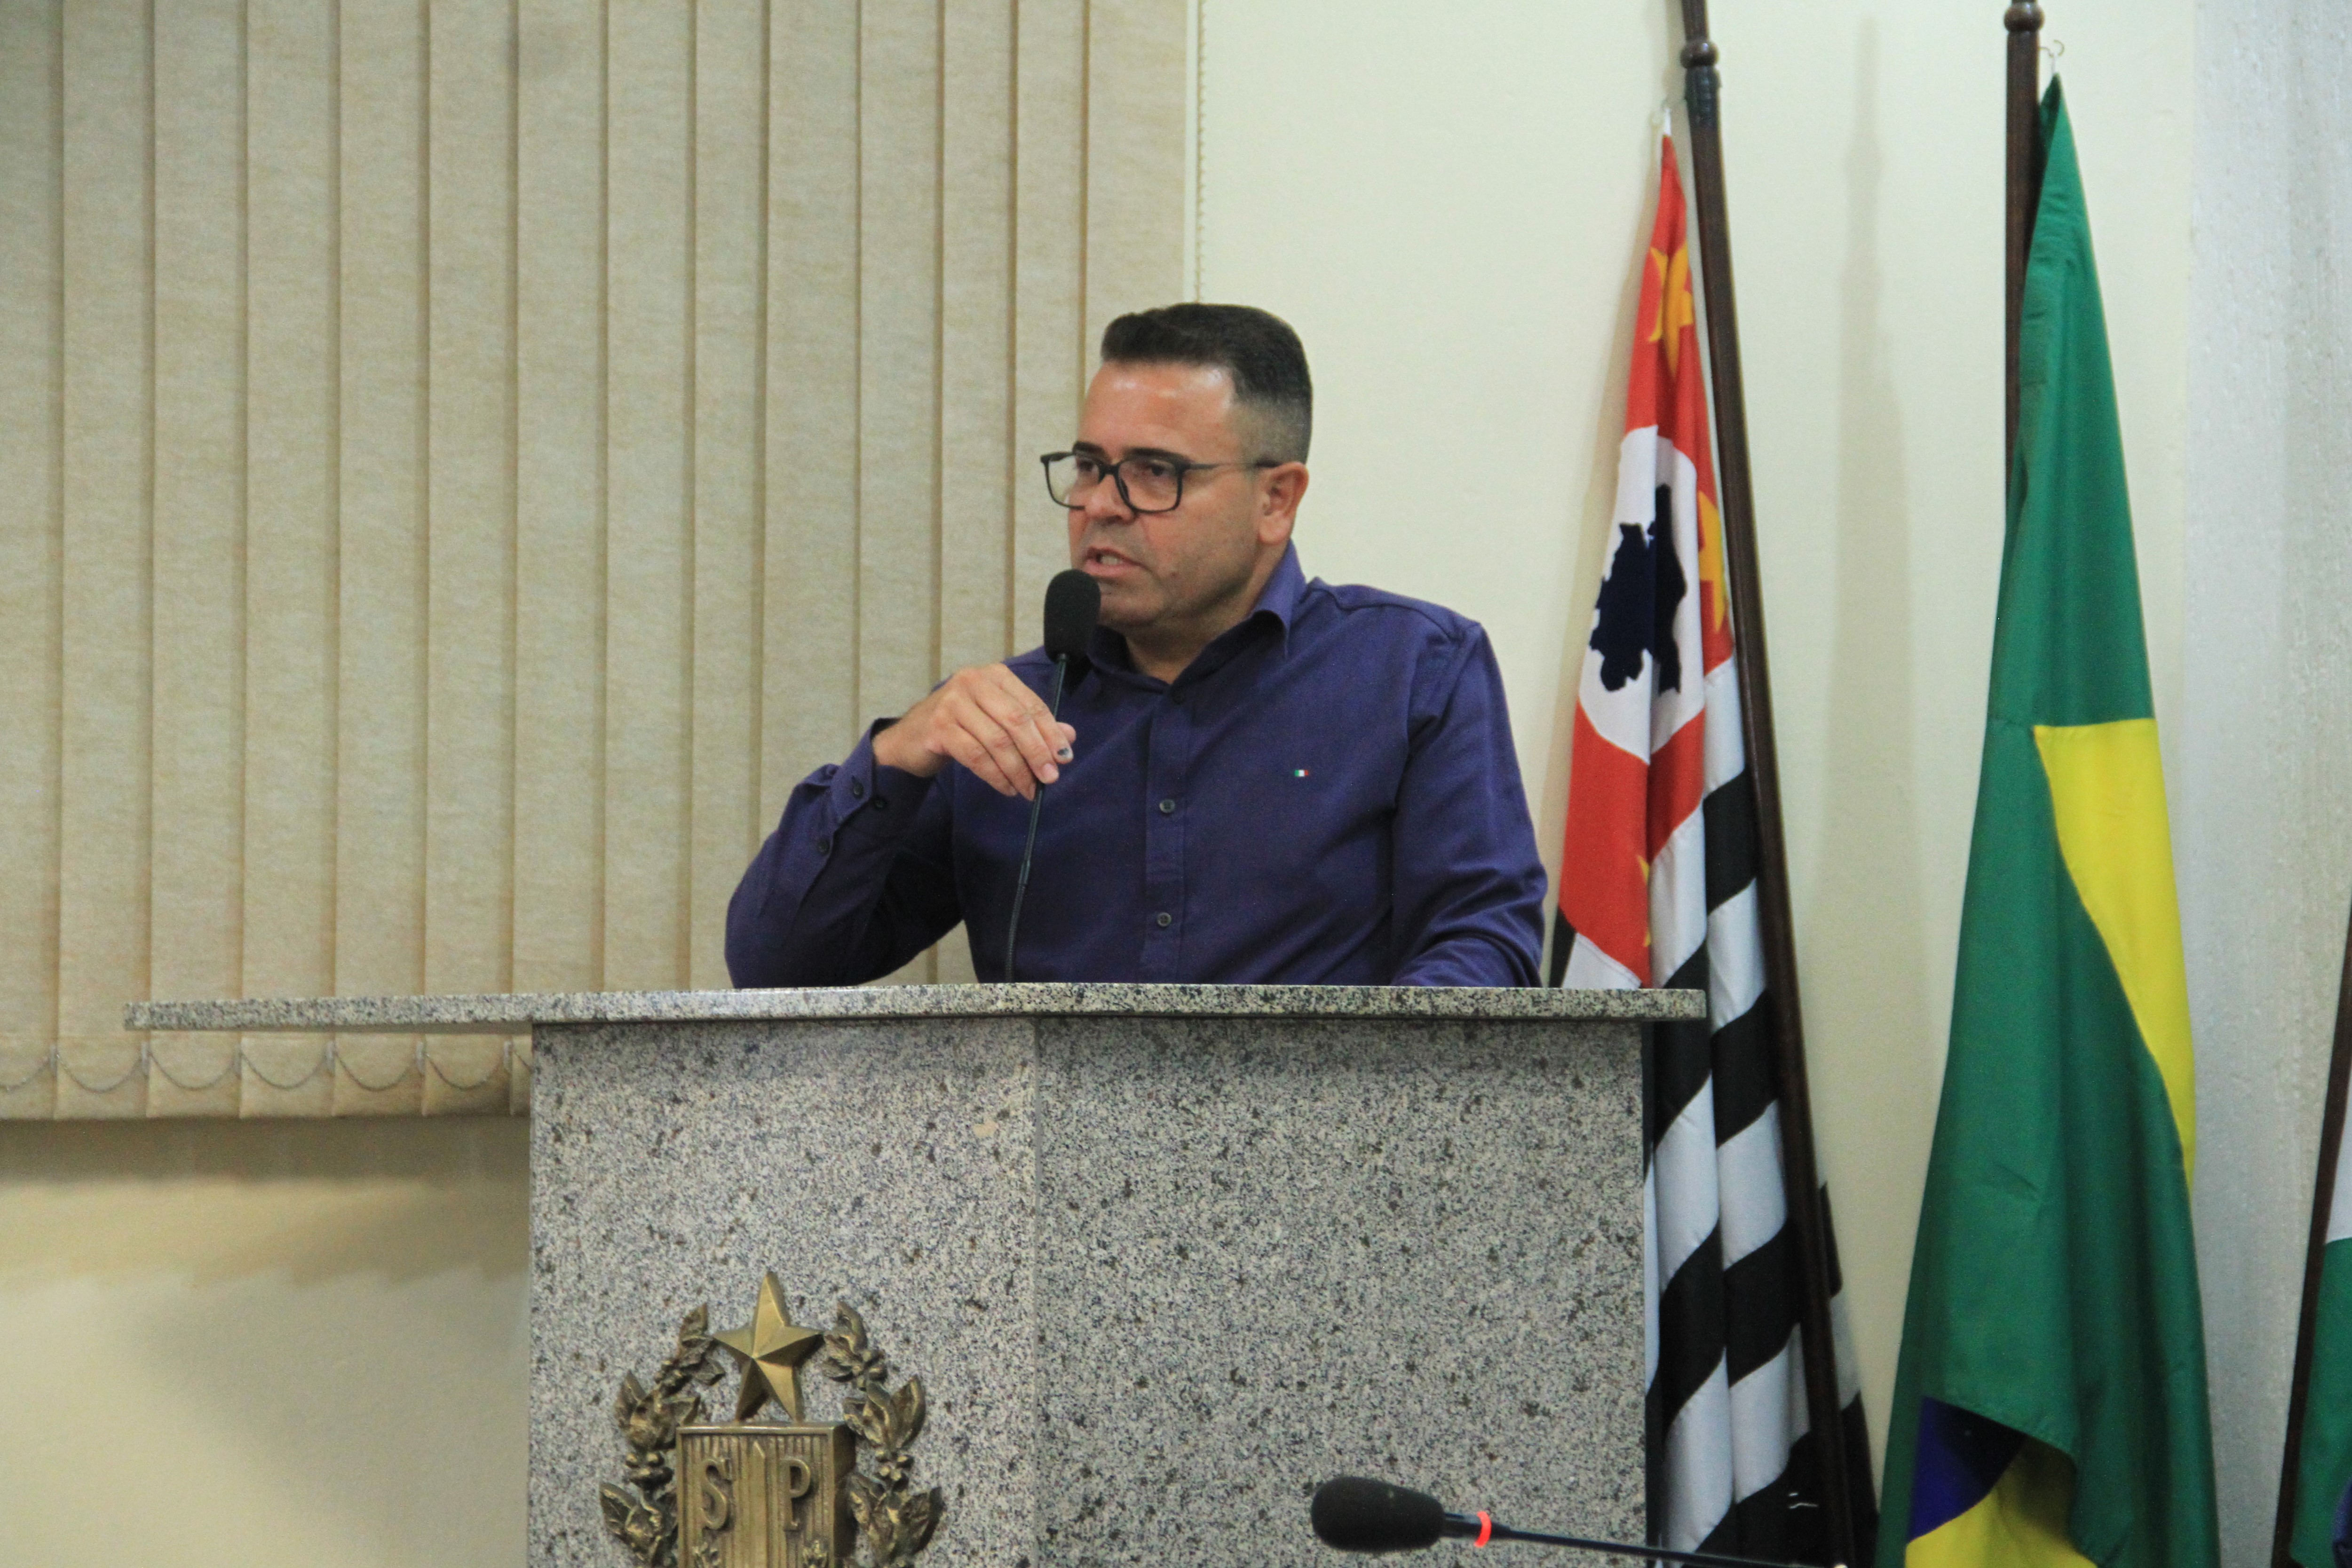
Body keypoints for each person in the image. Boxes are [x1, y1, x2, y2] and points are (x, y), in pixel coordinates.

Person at [726, 303, 1546, 988]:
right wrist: (897, 755)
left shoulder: (1413, 672)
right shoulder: (1002, 721)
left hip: (1314, 1129)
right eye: (1089, 466)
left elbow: (1483, 948)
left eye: (1155, 471)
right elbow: (776, 968)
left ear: (1275, 499)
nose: (1100, 505)